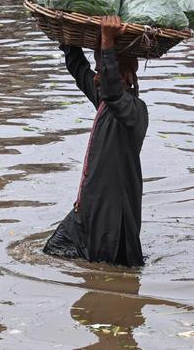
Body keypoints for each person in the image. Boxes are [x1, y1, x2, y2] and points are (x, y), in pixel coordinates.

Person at [43, 16, 149, 267]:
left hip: (113, 215)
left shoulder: (132, 111)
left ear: (125, 73)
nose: (97, 70)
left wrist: (108, 40)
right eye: (99, 64)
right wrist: (65, 32)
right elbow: (78, 67)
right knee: (55, 250)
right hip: (88, 209)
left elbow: (113, 91)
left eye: (103, 65)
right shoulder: (105, 100)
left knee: (108, 270)